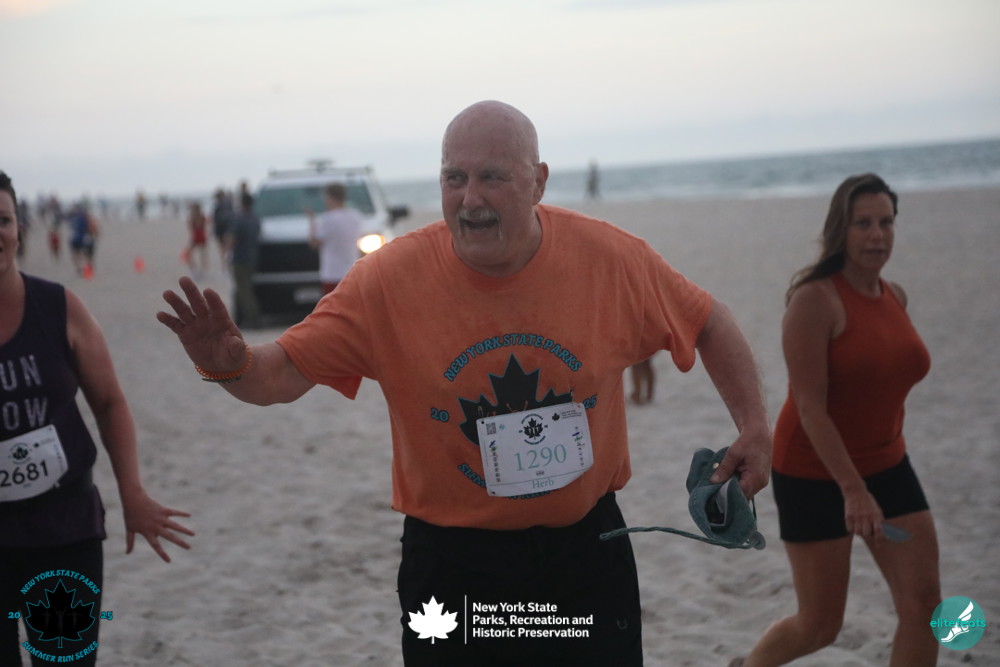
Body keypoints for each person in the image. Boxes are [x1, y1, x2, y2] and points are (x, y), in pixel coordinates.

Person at [157, 101, 771, 665]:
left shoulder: (609, 260)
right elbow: (282, 374)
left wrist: (753, 426)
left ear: (538, 182)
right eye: (454, 178)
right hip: (453, 566)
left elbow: (707, 320)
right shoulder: (387, 281)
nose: (470, 198)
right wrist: (228, 365)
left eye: (492, 177)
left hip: (584, 553)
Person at [734, 174, 940, 667]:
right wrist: (853, 490)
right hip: (814, 473)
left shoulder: (895, 296)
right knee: (821, 624)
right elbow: (810, 407)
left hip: (887, 464)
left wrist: (870, 480)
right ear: (839, 230)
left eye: (886, 222)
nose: (877, 235)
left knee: (926, 607)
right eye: (863, 223)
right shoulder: (815, 301)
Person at [0, 171, 194, 666]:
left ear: (19, 227)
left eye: (2, 220)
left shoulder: (58, 307)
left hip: (63, 532)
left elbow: (109, 403)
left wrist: (133, 493)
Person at [307, 183, 362, 294]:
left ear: (329, 197)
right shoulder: (356, 216)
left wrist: (312, 220)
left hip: (332, 274)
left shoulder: (328, 219)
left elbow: (314, 243)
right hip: (352, 271)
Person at [225, 192, 261, 328]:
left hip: (240, 258)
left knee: (243, 290)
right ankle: (241, 317)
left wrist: (227, 253)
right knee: (245, 288)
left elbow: (231, 239)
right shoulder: (255, 218)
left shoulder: (239, 219)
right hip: (252, 257)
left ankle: (253, 317)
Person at [185, 201, 210, 277]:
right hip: (196, 236)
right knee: (192, 253)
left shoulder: (199, 217)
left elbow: (198, 226)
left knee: (202, 254)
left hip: (199, 236)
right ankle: (195, 269)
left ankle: (201, 270)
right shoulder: (198, 216)